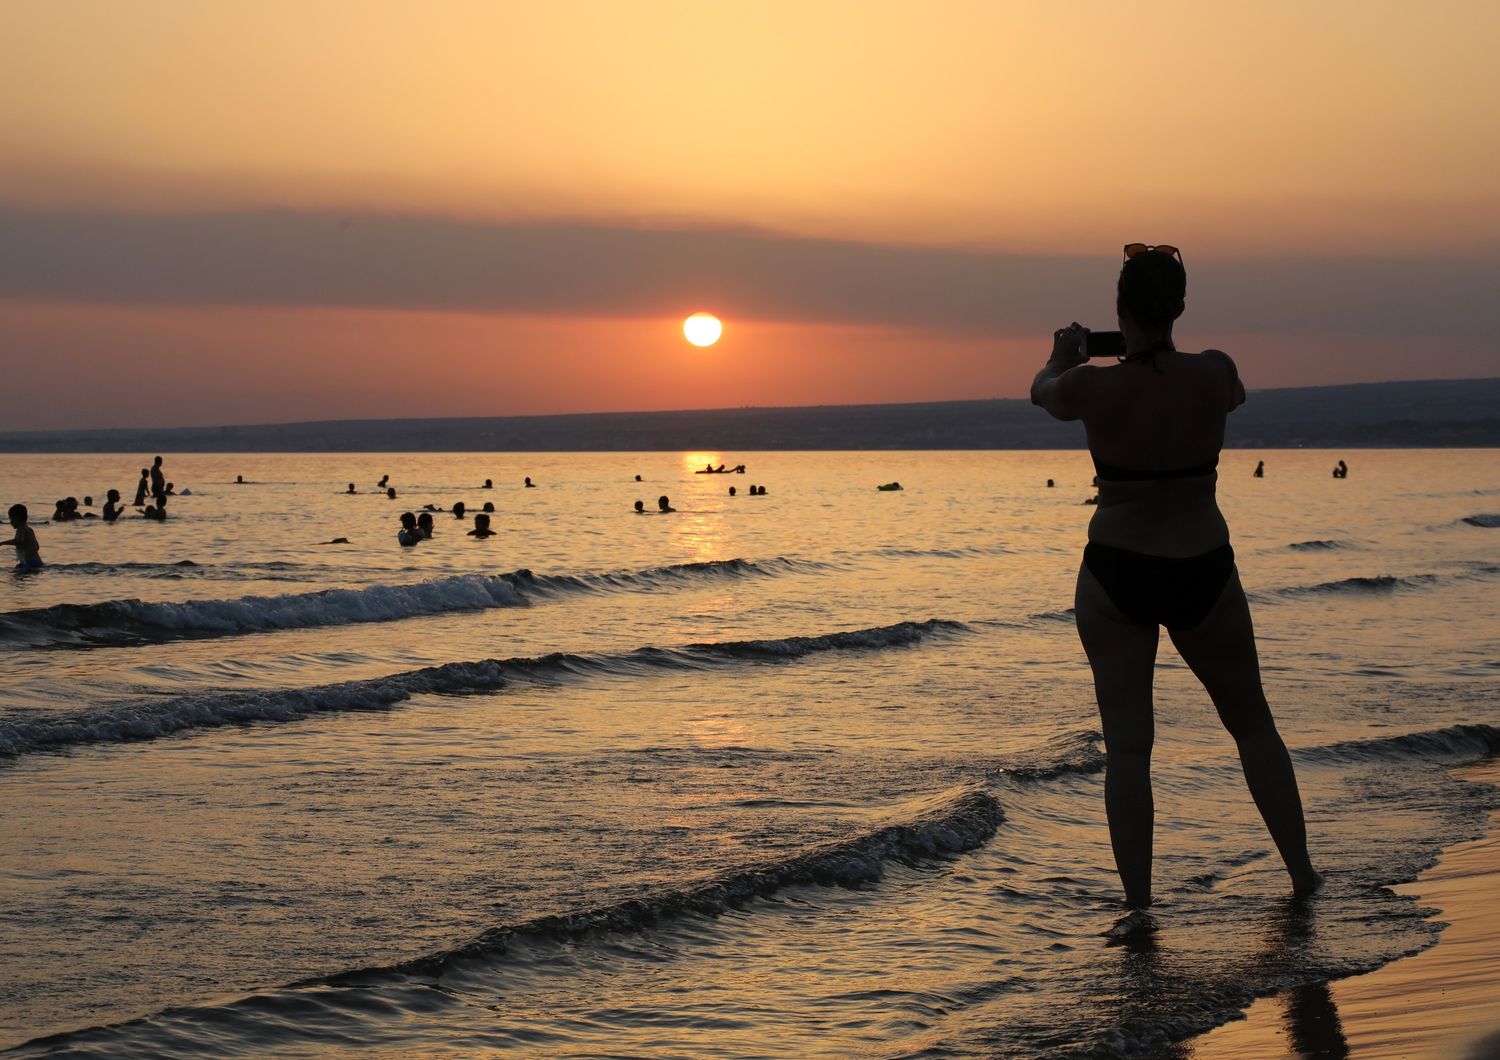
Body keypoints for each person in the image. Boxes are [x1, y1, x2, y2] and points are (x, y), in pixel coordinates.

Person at [1031, 244, 1319, 912]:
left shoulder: (1091, 384)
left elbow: (1042, 392)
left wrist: (1063, 355)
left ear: (1121, 309)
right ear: (1179, 306)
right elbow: (1235, 394)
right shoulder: (1214, 373)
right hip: (1202, 566)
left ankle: (1139, 905)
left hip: (1117, 569)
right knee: (1252, 725)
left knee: (1129, 748)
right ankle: (1302, 875)